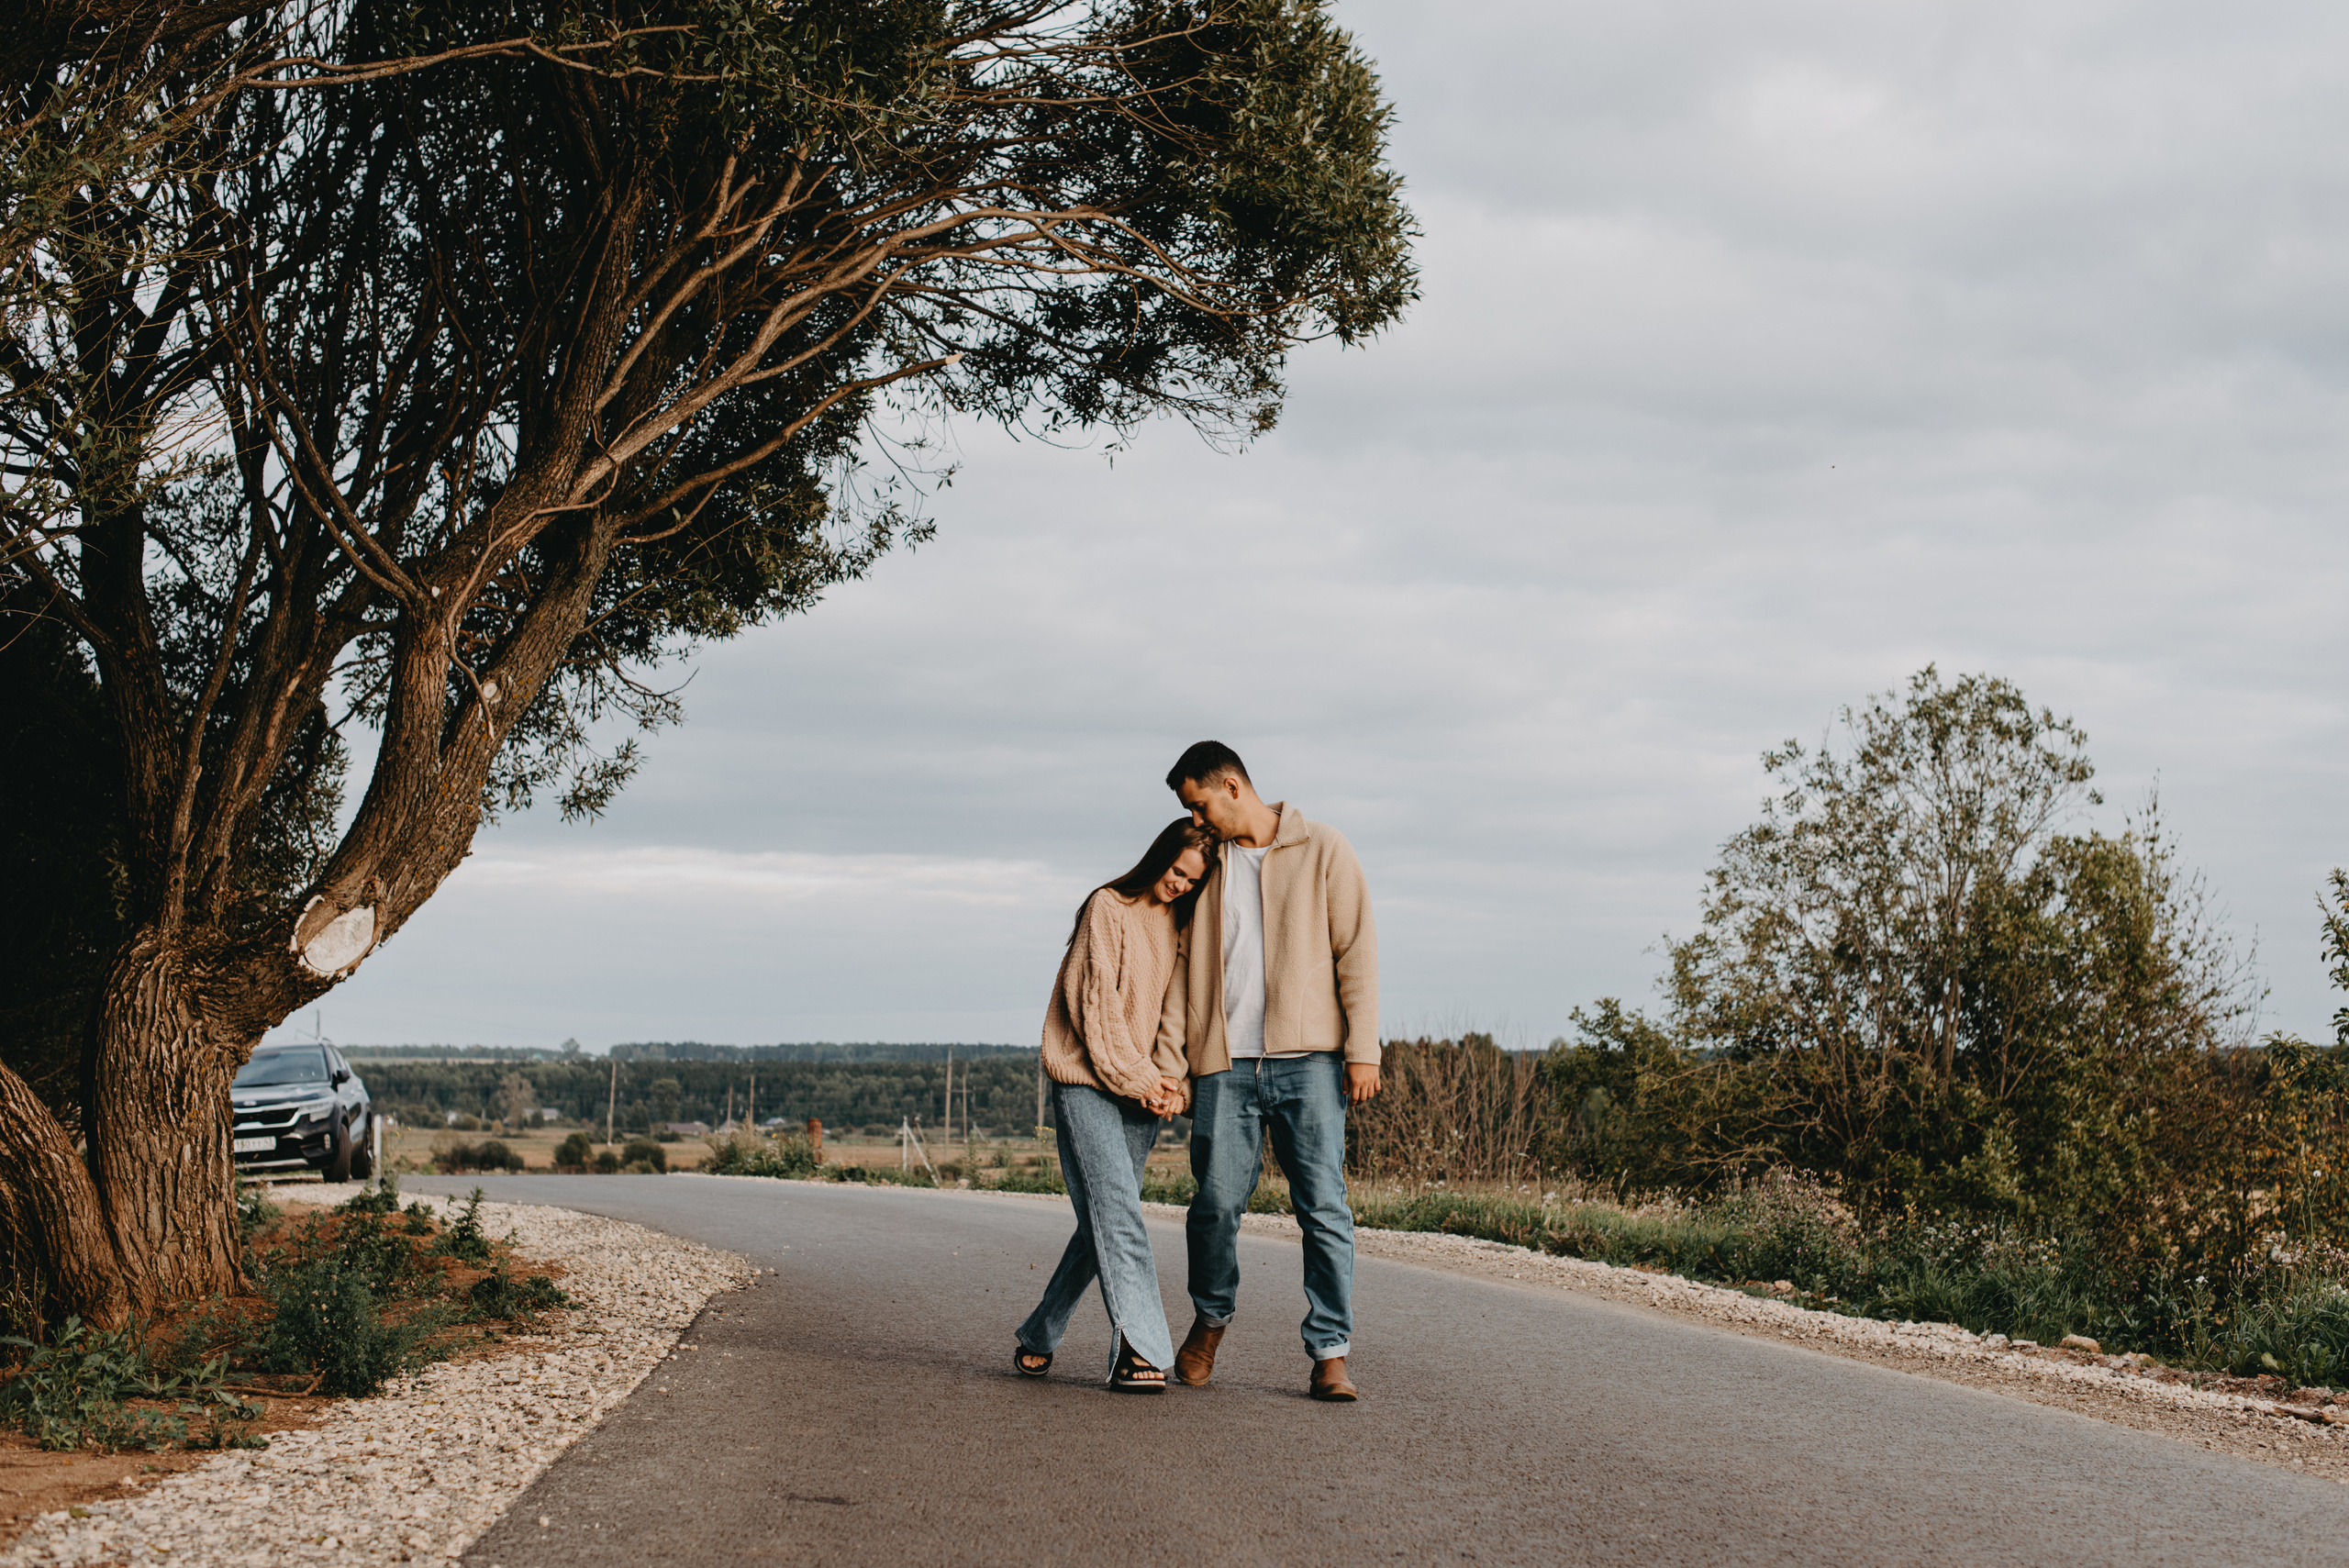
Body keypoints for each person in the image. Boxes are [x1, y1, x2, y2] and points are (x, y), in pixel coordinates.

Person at [1157, 740, 1380, 1402]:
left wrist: (1362, 1046)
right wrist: (1173, 1064)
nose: (1197, 820)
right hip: (1224, 1066)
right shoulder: (1207, 866)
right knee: (1216, 1204)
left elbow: (1357, 949)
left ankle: (1331, 1352)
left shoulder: (1325, 848)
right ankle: (1211, 1318)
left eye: (1199, 804)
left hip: (1309, 1061)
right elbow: (1180, 973)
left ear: (1231, 787)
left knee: (1324, 1207)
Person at [1014, 818, 1215, 1392]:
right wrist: (1141, 1079)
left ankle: (1040, 1331)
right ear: (1159, 858)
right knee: (1119, 1212)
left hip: (1143, 1090)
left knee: (1103, 1215)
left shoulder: (1179, 925)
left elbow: (1176, 1013)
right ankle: (1139, 1348)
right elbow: (1094, 1010)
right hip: (1087, 1081)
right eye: (1177, 871)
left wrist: (1173, 1082)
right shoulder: (1108, 906)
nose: (1180, 885)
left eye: (1192, 881)